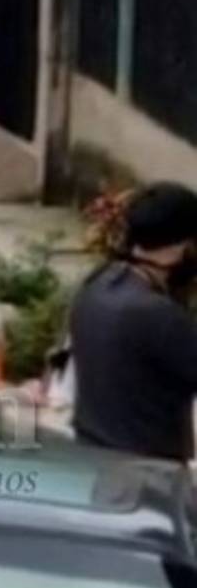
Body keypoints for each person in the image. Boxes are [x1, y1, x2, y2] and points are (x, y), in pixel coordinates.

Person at [71, 183, 197, 463]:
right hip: (143, 477)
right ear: (183, 247)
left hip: (92, 458)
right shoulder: (158, 315)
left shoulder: (96, 285)